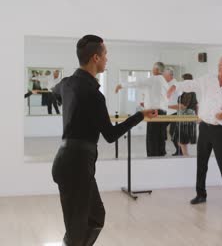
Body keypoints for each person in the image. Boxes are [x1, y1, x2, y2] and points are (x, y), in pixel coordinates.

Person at [51, 35, 157, 246]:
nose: (107, 59)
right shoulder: (93, 94)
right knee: (77, 227)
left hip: (69, 161)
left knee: (95, 217)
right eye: (106, 54)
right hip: (77, 165)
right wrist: (139, 116)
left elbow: (54, 93)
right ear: (95, 58)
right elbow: (110, 135)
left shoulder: (66, 83)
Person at [167, 55, 222, 210]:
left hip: (219, 130)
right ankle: (200, 194)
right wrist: (176, 86)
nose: (221, 68)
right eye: (220, 65)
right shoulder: (208, 80)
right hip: (204, 127)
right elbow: (192, 84)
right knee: (201, 163)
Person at [115, 62, 169, 157]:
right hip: (163, 113)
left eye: (153, 68)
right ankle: (160, 158)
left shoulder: (154, 79)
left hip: (154, 112)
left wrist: (121, 85)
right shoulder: (164, 81)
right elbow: (161, 97)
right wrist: (147, 103)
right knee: (160, 138)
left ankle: (152, 159)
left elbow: (137, 83)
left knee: (152, 139)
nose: (152, 70)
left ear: (156, 70)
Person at [168, 73, 198, 156]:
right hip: (184, 117)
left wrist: (168, 106)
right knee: (180, 140)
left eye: (182, 80)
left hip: (186, 118)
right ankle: (185, 155)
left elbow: (183, 106)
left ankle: (185, 156)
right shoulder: (187, 92)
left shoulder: (190, 93)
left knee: (182, 140)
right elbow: (196, 105)